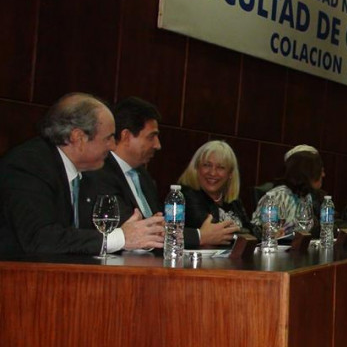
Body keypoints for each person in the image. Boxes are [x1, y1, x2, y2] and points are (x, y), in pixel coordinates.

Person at [0, 92, 165, 255]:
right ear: (78, 138)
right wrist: (121, 237)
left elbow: (85, 236)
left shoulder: (87, 173)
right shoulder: (29, 166)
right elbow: (39, 238)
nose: (113, 147)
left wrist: (137, 237)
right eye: (108, 138)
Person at [78, 97, 237, 248]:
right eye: (151, 137)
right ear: (126, 136)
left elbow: (161, 223)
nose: (158, 145)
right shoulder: (101, 172)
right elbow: (138, 231)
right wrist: (200, 236)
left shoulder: (143, 176)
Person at [177, 140, 253, 238]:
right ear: (196, 168)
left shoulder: (233, 201)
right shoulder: (187, 196)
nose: (212, 173)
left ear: (230, 174)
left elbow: (250, 230)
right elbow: (214, 232)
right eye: (207, 165)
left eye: (221, 167)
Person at [251, 149, 323, 236]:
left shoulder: (306, 196)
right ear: (307, 172)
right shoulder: (278, 196)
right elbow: (257, 231)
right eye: (319, 171)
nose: (323, 175)